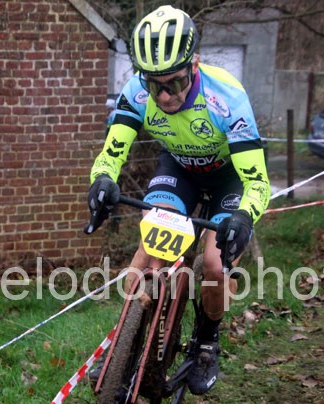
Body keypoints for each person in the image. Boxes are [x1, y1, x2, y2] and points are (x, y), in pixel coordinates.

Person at [84, 5, 270, 395]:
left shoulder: (226, 97)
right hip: (180, 169)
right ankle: (124, 343)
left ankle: (206, 340)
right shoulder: (136, 92)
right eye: (157, 86)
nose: (167, 95)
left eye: (177, 82)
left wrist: (244, 217)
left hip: (229, 178)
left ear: (194, 65)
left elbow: (258, 182)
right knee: (151, 247)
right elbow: (111, 154)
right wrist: (102, 180)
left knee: (215, 266)